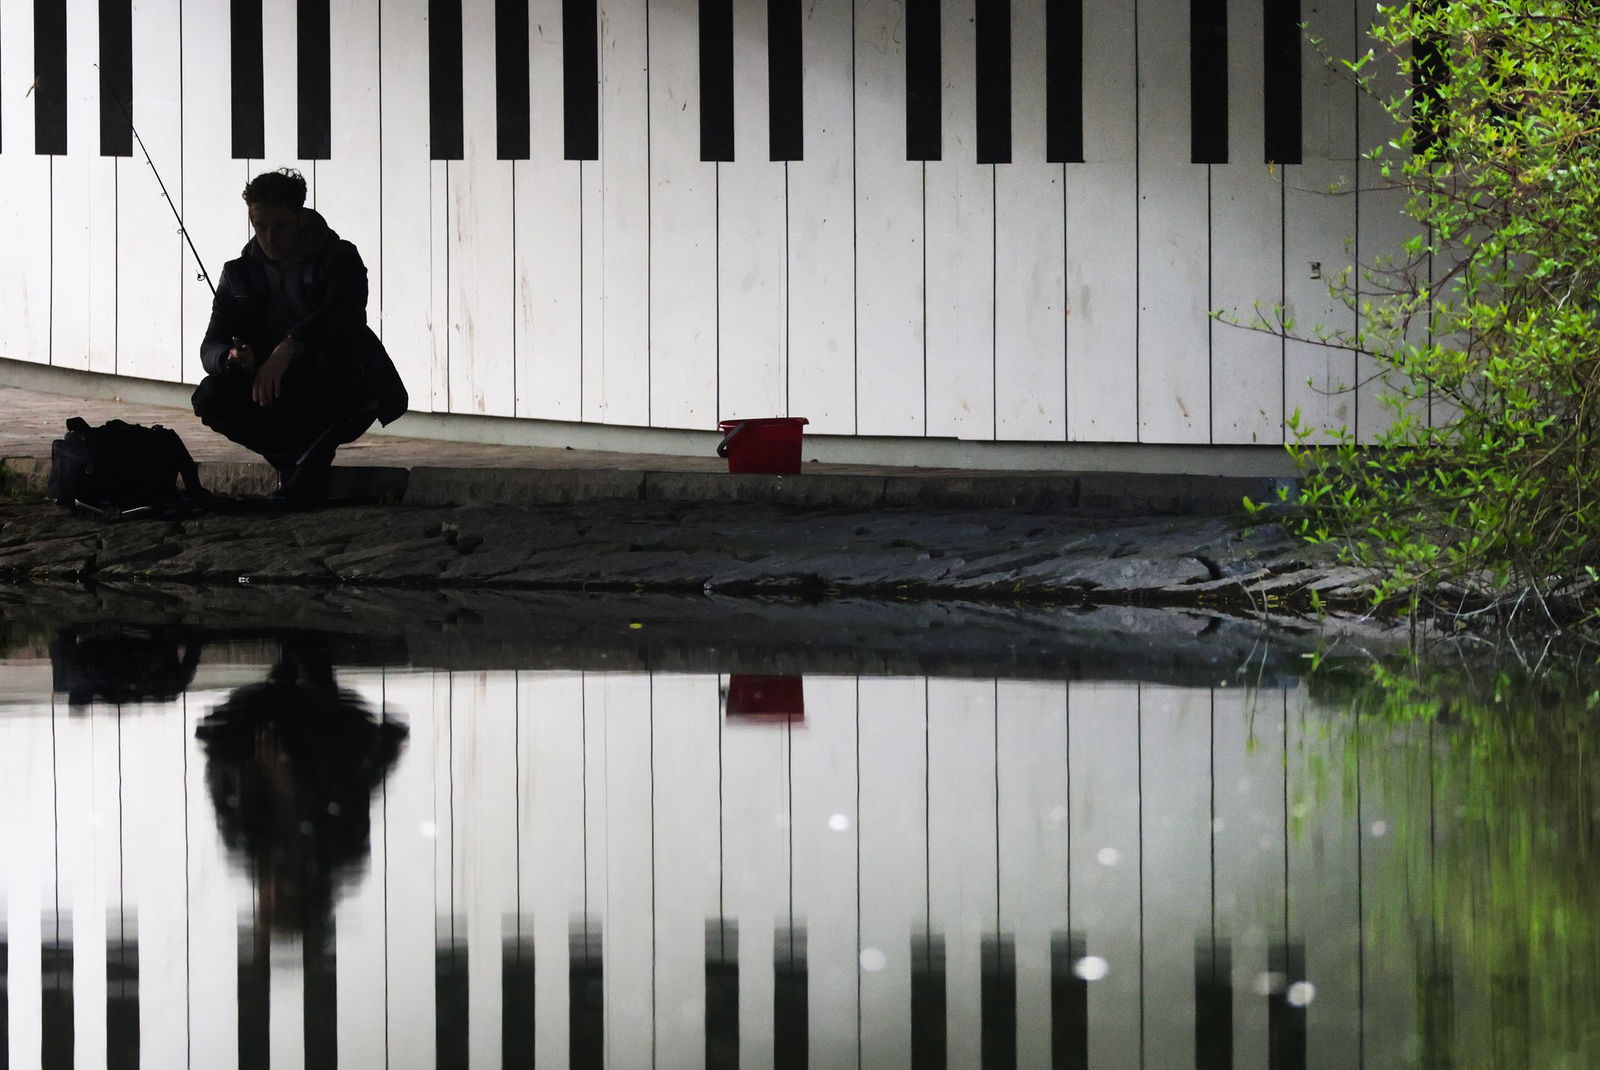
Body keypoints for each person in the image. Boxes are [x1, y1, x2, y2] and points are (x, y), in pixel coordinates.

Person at [192, 168, 407, 503]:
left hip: (340, 379)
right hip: (272, 387)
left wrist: (289, 347)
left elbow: (342, 317)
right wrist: (230, 357)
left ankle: (306, 467)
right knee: (210, 397)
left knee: (330, 373)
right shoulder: (239, 273)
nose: (269, 238)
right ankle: (297, 465)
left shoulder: (339, 258)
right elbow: (211, 344)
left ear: (301, 218)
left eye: (281, 226)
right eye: (259, 226)